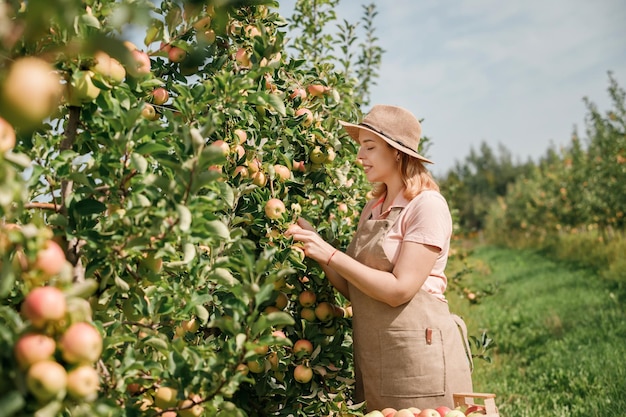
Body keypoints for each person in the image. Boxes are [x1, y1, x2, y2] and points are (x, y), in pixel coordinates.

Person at [285, 105, 473, 411]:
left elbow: (400, 290)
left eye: (369, 147)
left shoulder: (426, 207)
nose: (360, 157)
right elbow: (354, 288)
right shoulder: (372, 209)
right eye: (360, 147)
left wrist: (331, 253)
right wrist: (315, 246)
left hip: (419, 361)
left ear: (397, 153)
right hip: (375, 357)